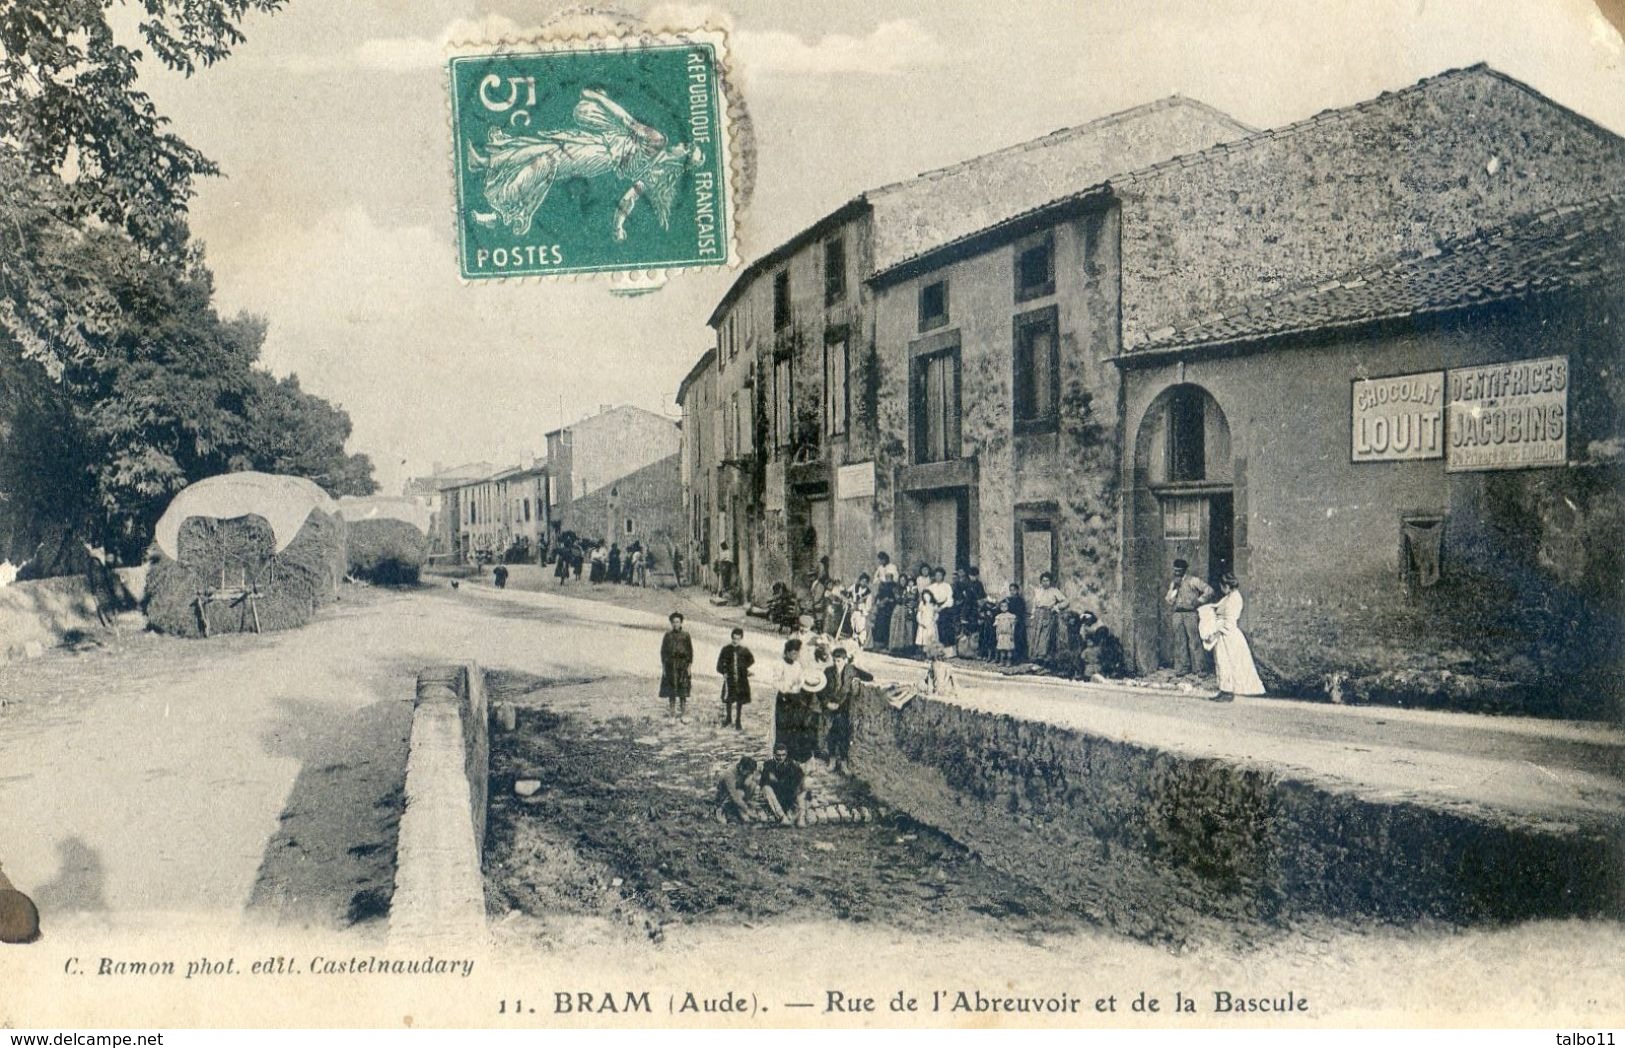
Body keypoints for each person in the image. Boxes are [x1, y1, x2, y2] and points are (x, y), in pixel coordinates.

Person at [1203, 573, 1265, 702]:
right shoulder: (1230, 597)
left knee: (1226, 662)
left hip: (1228, 636)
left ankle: (1227, 691)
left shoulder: (1234, 599)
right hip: (1225, 635)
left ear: (1226, 586)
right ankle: (1224, 689)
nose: (1221, 589)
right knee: (1222, 662)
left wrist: (1216, 634)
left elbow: (1229, 622)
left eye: (1222, 586)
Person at [821, 647, 874, 774]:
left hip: (844, 707)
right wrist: (827, 703)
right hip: (830, 707)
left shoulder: (851, 670)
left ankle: (844, 762)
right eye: (834, 660)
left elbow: (869, 677)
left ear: (845, 660)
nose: (836, 663)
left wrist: (858, 666)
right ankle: (832, 760)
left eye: (838, 661)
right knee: (831, 733)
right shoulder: (828, 671)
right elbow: (822, 690)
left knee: (843, 732)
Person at [1165, 558, 1214, 676]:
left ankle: (1200, 669)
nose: (1176, 573)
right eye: (1175, 570)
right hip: (1177, 614)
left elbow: (1209, 590)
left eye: (1179, 570)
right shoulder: (1174, 583)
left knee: (1194, 641)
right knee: (1179, 641)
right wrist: (1174, 589)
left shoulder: (1194, 581)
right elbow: (1169, 600)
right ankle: (1183, 667)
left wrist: (1199, 601)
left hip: (1190, 613)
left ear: (1184, 570)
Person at [759, 742, 808, 827]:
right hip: (776, 796)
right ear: (774, 754)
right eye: (778, 755)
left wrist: (776, 781)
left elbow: (799, 779)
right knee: (766, 788)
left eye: (783, 755)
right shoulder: (768, 765)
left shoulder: (793, 765)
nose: (781, 758)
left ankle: (801, 817)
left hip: (790, 795)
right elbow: (763, 783)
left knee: (803, 788)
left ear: (786, 754)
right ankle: (782, 817)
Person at [716, 627, 755, 730]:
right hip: (730, 678)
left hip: (741, 679)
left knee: (739, 700)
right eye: (734, 638)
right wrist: (723, 671)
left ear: (741, 638)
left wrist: (743, 667)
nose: (735, 640)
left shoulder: (744, 650)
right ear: (731, 637)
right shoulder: (726, 649)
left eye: (737, 638)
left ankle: (738, 720)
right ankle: (728, 718)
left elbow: (751, 660)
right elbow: (719, 664)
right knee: (729, 699)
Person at [1028, 572, 1069, 666]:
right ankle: (1034, 656)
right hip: (1038, 614)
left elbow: (1066, 601)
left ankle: (1042, 657)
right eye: (1043, 581)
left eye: (1047, 580)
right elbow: (1035, 604)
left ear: (1050, 581)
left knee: (1044, 635)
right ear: (1041, 582)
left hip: (1047, 614)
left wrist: (1056, 607)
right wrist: (1033, 615)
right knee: (1035, 635)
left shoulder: (1054, 591)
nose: (1045, 582)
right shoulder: (1038, 591)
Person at [659, 612, 694, 719]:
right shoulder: (667, 635)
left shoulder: (686, 635)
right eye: (673, 622)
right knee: (672, 690)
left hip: (682, 665)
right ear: (671, 623)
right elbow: (663, 652)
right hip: (671, 665)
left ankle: (683, 714)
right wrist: (664, 667)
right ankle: (672, 714)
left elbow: (690, 652)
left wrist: (689, 667)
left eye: (677, 622)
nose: (675, 624)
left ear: (681, 623)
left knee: (683, 690)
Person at [1079, 610, 1127, 680]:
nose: (1087, 622)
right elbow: (1083, 637)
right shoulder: (1084, 627)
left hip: (1100, 642)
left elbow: (1103, 633)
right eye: (1085, 621)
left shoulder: (1099, 624)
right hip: (1091, 644)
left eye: (1088, 620)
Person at [713, 756, 761, 824]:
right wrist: (747, 810)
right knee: (740, 793)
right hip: (724, 796)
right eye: (747, 772)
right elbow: (734, 796)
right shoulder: (729, 774)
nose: (748, 774)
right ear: (741, 767)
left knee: (752, 784)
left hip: (738, 795)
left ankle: (744, 805)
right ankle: (722, 810)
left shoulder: (745, 770)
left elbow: (756, 773)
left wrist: (750, 777)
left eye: (749, 772)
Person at [1005, 582, 1028, 663]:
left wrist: (1016, 618)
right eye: (1010, 590)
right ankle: (1011, 658)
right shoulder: (1008, 600)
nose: (1012, 592)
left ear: (1017, 590)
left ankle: (1020, 658)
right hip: (1010, 622)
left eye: (1014, 590)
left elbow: (1021, 611)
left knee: (1019, 639)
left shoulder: (1020, 600)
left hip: (1018, 622)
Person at [916, 587, 942, 656]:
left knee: (931, 637)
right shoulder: (922, 604)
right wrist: (921, 622)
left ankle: (930, 652)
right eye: (925, 596)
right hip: (923, 623)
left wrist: (934, 620)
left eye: (928, 596)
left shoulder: (934, 605)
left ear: (931, 596)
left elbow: (936, 614)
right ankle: (921, 652)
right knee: (922, 637)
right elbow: (919, 614)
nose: (926, 598)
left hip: (931, 623)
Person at [994, 600, 1018, 665]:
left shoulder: (1010, 616)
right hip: (1001, 635)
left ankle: (1009, 661)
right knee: (1002, 649)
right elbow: (997, 627)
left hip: (1008, 634)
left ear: (1008, 607)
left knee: (1009, 649)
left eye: (1005, 606)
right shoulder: (998, 617)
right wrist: (997, 635)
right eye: (1002, 606)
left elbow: (1013, 626)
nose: (1004, 608)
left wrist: (1012, 634)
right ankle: (1002, 661)